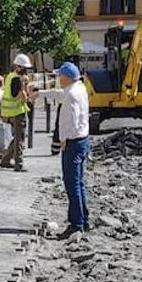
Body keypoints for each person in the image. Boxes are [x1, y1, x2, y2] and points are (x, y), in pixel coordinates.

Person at [55, 61, 90, 240]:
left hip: (73, 142)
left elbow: (72, 121)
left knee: (72, 183)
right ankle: (84, 218)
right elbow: (58, 93)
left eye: (60, 76)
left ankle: (76, 223)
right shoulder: (79, 88)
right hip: (82, 140)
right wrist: (40, 93)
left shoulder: (71, 95)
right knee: (79, 182)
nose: (58, 79)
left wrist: (64, 139)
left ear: (67, 77)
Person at [0, 54, 33, 171]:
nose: (25, 71)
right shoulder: (18, 79)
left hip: (9, 112)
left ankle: (5, 160)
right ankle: (19, 163)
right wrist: (25, 89)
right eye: (24, 68)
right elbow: (20, 96)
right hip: (18, 112)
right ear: (18, 67)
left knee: (16, 138)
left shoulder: (10, 76)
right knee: (20, 138)